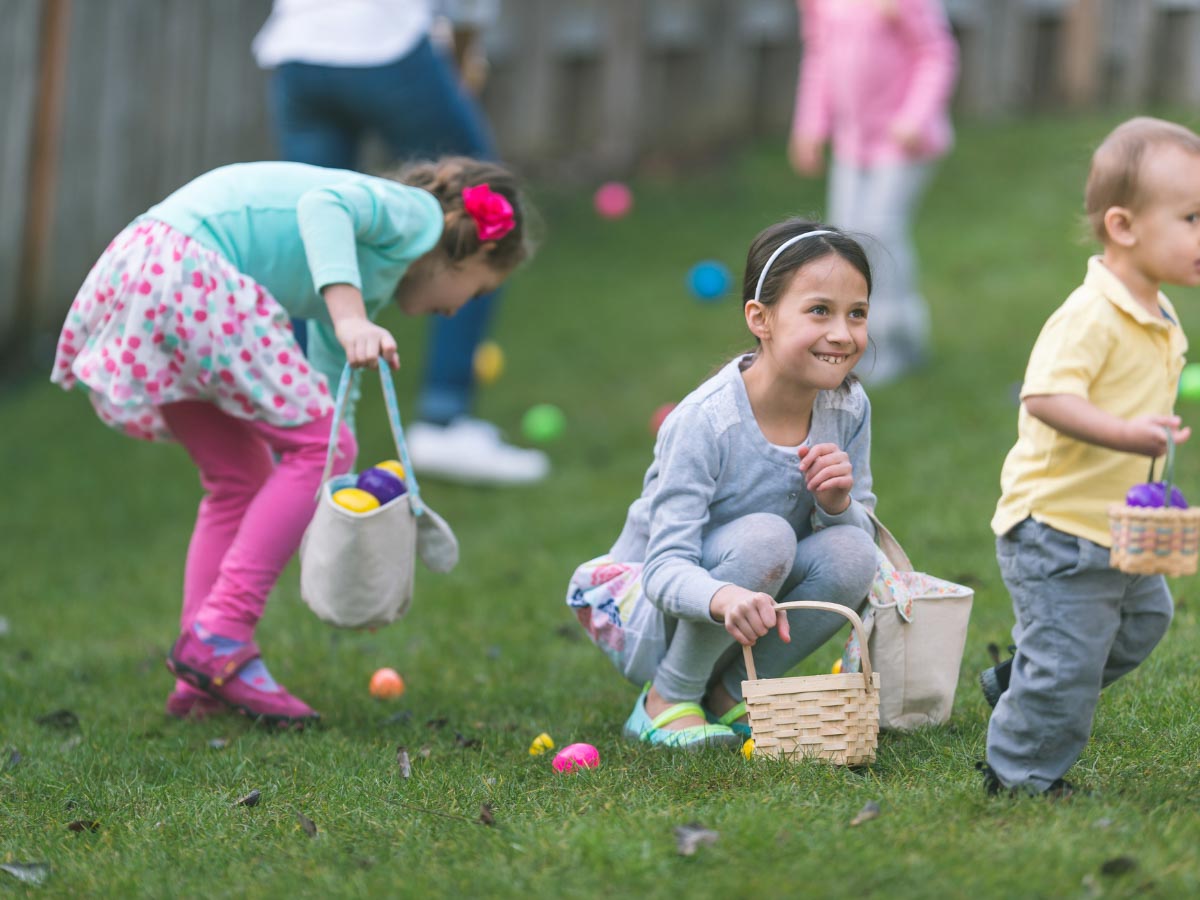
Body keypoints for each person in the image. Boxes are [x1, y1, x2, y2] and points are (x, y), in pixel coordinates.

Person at [51, 156, 533, 726]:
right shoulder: (417, 215)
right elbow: (322, 206)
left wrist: (333, 517)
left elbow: (331, 423)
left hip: (154, 268)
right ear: (474, 250)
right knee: (304, 454)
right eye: (476, 293)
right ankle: (223, 633)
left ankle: (202, 677)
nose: (457, 310)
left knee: (243, 478)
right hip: (191, 271)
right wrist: (351, 318)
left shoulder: (364, 281)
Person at [566, 221, 880, 749]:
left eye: (858, 313)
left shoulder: (848, 406)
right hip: (649, 612)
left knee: (853, 551)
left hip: (751, 602)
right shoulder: (705, 422)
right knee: (767, 536)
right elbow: (664, 570)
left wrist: (837, 504)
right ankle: (666, 699)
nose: (843, 334)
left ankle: (732, 695)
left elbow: (863, 535)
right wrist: (723, 595)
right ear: (761, 319)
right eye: (819, 310)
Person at [979, 117, 1200, 797]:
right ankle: (1019, 776)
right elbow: (1046, 397)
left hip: (1118, 526)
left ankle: (1022, 679)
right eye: (1193, 217)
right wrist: (1128, 432)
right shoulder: (1089, 315)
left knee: (1145, 622)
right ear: (1124, 227)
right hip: (1057, 529)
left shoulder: (1158, 312)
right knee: (1070, 662)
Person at [252, 0, 548, 485]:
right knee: (484, 207)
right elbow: (469, 11)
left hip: (297, 50)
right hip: (385, 42)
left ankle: (297, 434)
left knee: (311, 233)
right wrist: (460, 63)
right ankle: (444, 417)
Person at [790, 0, 957, 386]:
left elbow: (937, 53)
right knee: (842, 241)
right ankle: (849, 337)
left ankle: (898, 338)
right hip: (853, 142)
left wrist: (914, 118)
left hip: (903, 141)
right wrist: (811, 124)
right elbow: (819, 58)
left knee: (880, 234)